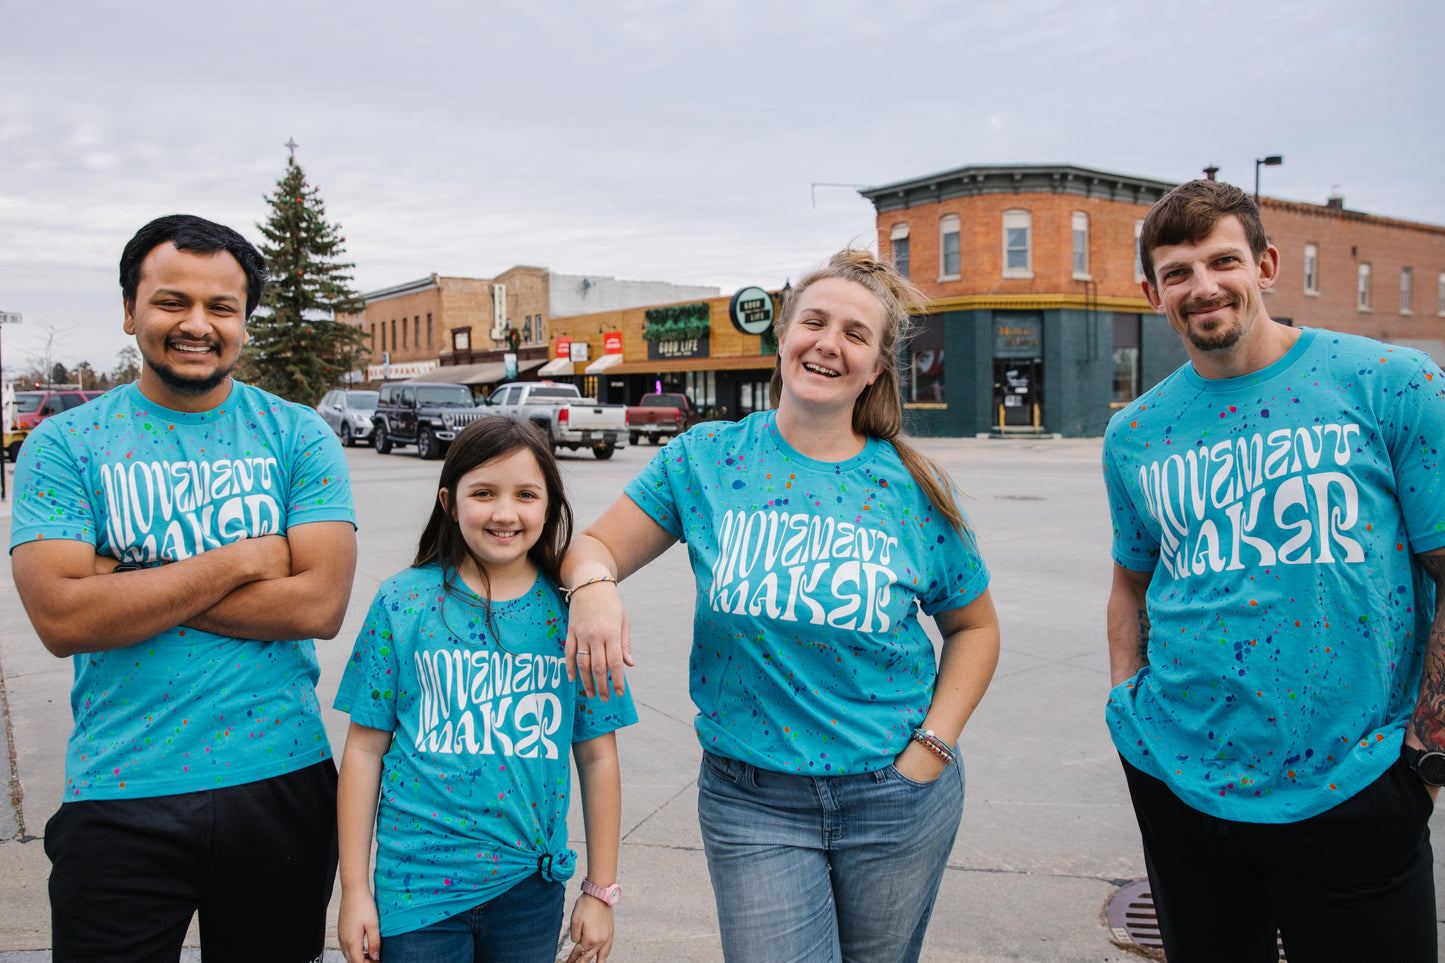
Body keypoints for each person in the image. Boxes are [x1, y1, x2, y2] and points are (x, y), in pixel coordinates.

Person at [562, 248, 1000, 962]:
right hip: (752, 800)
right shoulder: (704, 458)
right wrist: (594, 587)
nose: (829, 344)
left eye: (855, 334)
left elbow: (975, 626)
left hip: (893, 795)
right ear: (783, 335)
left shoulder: (911, 488)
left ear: (876, 366)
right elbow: (592, 547)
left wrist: (930, 750)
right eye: (815, 322)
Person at [1103, 179, 1445, 962]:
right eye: (1177, 271)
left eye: (1221, 260)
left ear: (1265, 264)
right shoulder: (1134, 433)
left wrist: (1424, 760)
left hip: (1357, 790)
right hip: (1179, 783)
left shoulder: (1388, 384)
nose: (1203, 285)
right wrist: (1127, 707)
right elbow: (1130, 579)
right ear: (1151, 293)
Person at [9, 214, 358, 962]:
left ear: (243, 322)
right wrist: (240, 561)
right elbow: (64, 616)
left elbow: (318, 605)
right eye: (172, 302)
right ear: (131, 310)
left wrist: (124, 581)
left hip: (281, 781)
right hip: (119, 785)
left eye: (220, 307)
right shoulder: (65, 444)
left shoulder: (298, 436)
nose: (196, 324)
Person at [335, 417, 635, 963]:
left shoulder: (576, 617)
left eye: (525, 494)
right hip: (416, 887)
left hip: (528, 890)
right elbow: (363, 749)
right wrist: (354, 891)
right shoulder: (402, 603)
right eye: (483, 493)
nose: (504, 513)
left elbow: (597, 758)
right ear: (449, 502)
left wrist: (600, 890)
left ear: (550, 505)